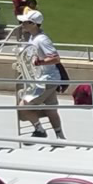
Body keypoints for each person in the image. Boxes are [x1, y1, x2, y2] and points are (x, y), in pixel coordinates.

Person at [15, 10, 66, 140]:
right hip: (48, 79)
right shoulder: (34, 37)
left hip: (46, 80)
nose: (22, 24)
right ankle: (60, 137)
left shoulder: (42, 40)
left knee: (22, 106)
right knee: (51, 110)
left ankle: (39, 129)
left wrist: (39, 62)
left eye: (25, 22)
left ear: (33, 24)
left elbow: (55, 58)